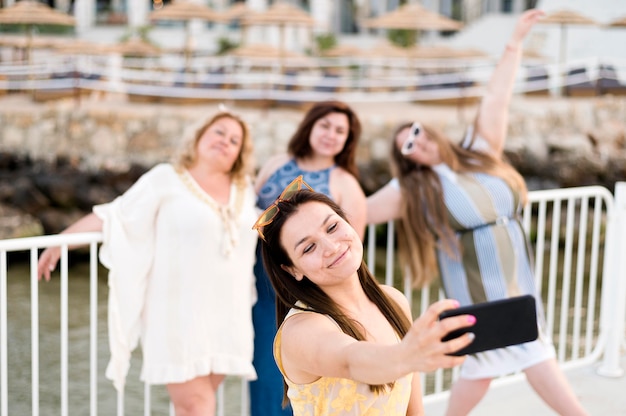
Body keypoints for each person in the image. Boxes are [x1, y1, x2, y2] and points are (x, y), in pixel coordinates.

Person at [366, 9, 589, 416]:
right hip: (473, 284)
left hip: (517, 275)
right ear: (405, 160)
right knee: (503, 358)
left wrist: (514, 43)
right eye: (405, 147)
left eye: (415, 132)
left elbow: (497, 97)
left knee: (509, 357)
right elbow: (358, 212)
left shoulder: (477, 153)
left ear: (428, 129)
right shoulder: (411, 188)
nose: (414, 144)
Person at [37, 109, 259, 416]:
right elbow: (116, 215)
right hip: (178, 314)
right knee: (196, 405)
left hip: (227, 314)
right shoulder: (165, 179)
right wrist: (61, 241)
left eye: (235, 140)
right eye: (219, 132)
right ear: (198, 136)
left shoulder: (244, 189)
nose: (225, 142)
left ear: (239, 154)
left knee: (197, 404)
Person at [252, 177, 475, 414]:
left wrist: (410, 356)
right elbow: (350, 360)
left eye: (332, 227)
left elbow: (414, 411)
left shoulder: (393, 301)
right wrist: (407, 355)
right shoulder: (300, 330)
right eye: (308, 248)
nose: (331, 247)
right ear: (292, 269)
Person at [250, 100, 367, 415]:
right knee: (263, 366)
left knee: (299, 369)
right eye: (325, 125)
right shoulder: (277, 163)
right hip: (262, 283)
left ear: (347, 140)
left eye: (340, 130)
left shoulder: (345, 182)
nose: (331, 134)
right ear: (310, 126)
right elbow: (248, 208)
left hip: (308, 286)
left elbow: (351, 249)